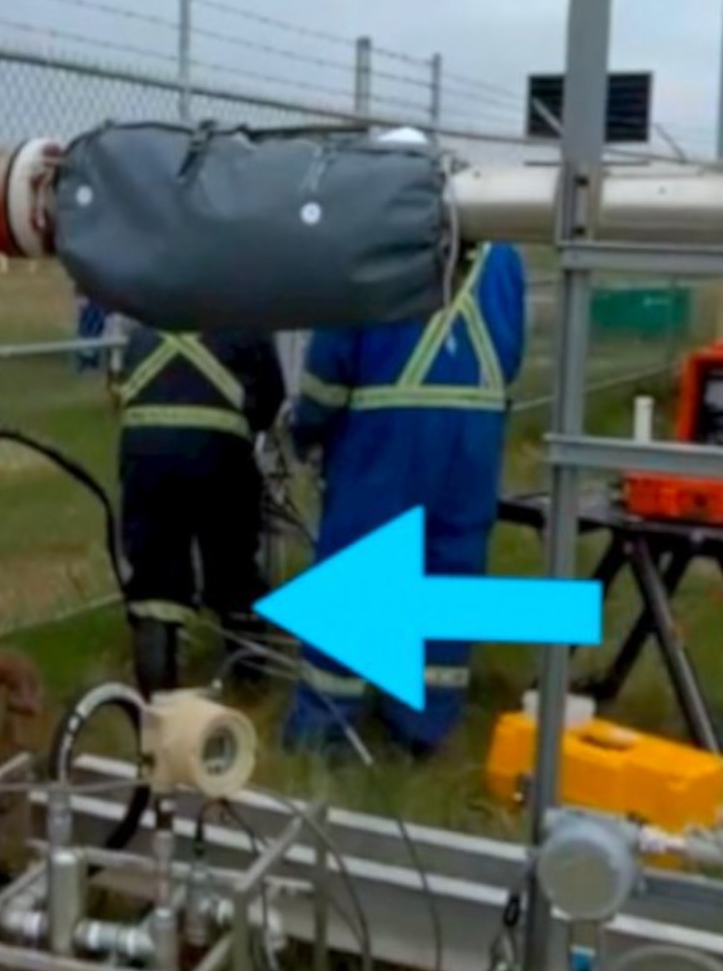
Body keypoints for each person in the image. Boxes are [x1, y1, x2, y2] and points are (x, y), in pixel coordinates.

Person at [282, 126, 528, 756]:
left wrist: (308, 428)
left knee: (357, 571)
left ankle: (327, 731)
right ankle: (424, 726)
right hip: (475, 433)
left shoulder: (367, 239)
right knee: (449, 570)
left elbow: (330, 364)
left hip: (389, 430)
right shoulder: (503, 250)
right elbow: (512, 351)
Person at [111, 320, 289, 694]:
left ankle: (157, 694)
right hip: (219, 451)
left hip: (146, 455)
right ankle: (249, 677)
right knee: (233, 560)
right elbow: (271, 397)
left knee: (155, 573)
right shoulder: (245, 321)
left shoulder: (146, 321)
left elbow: (120, 389)